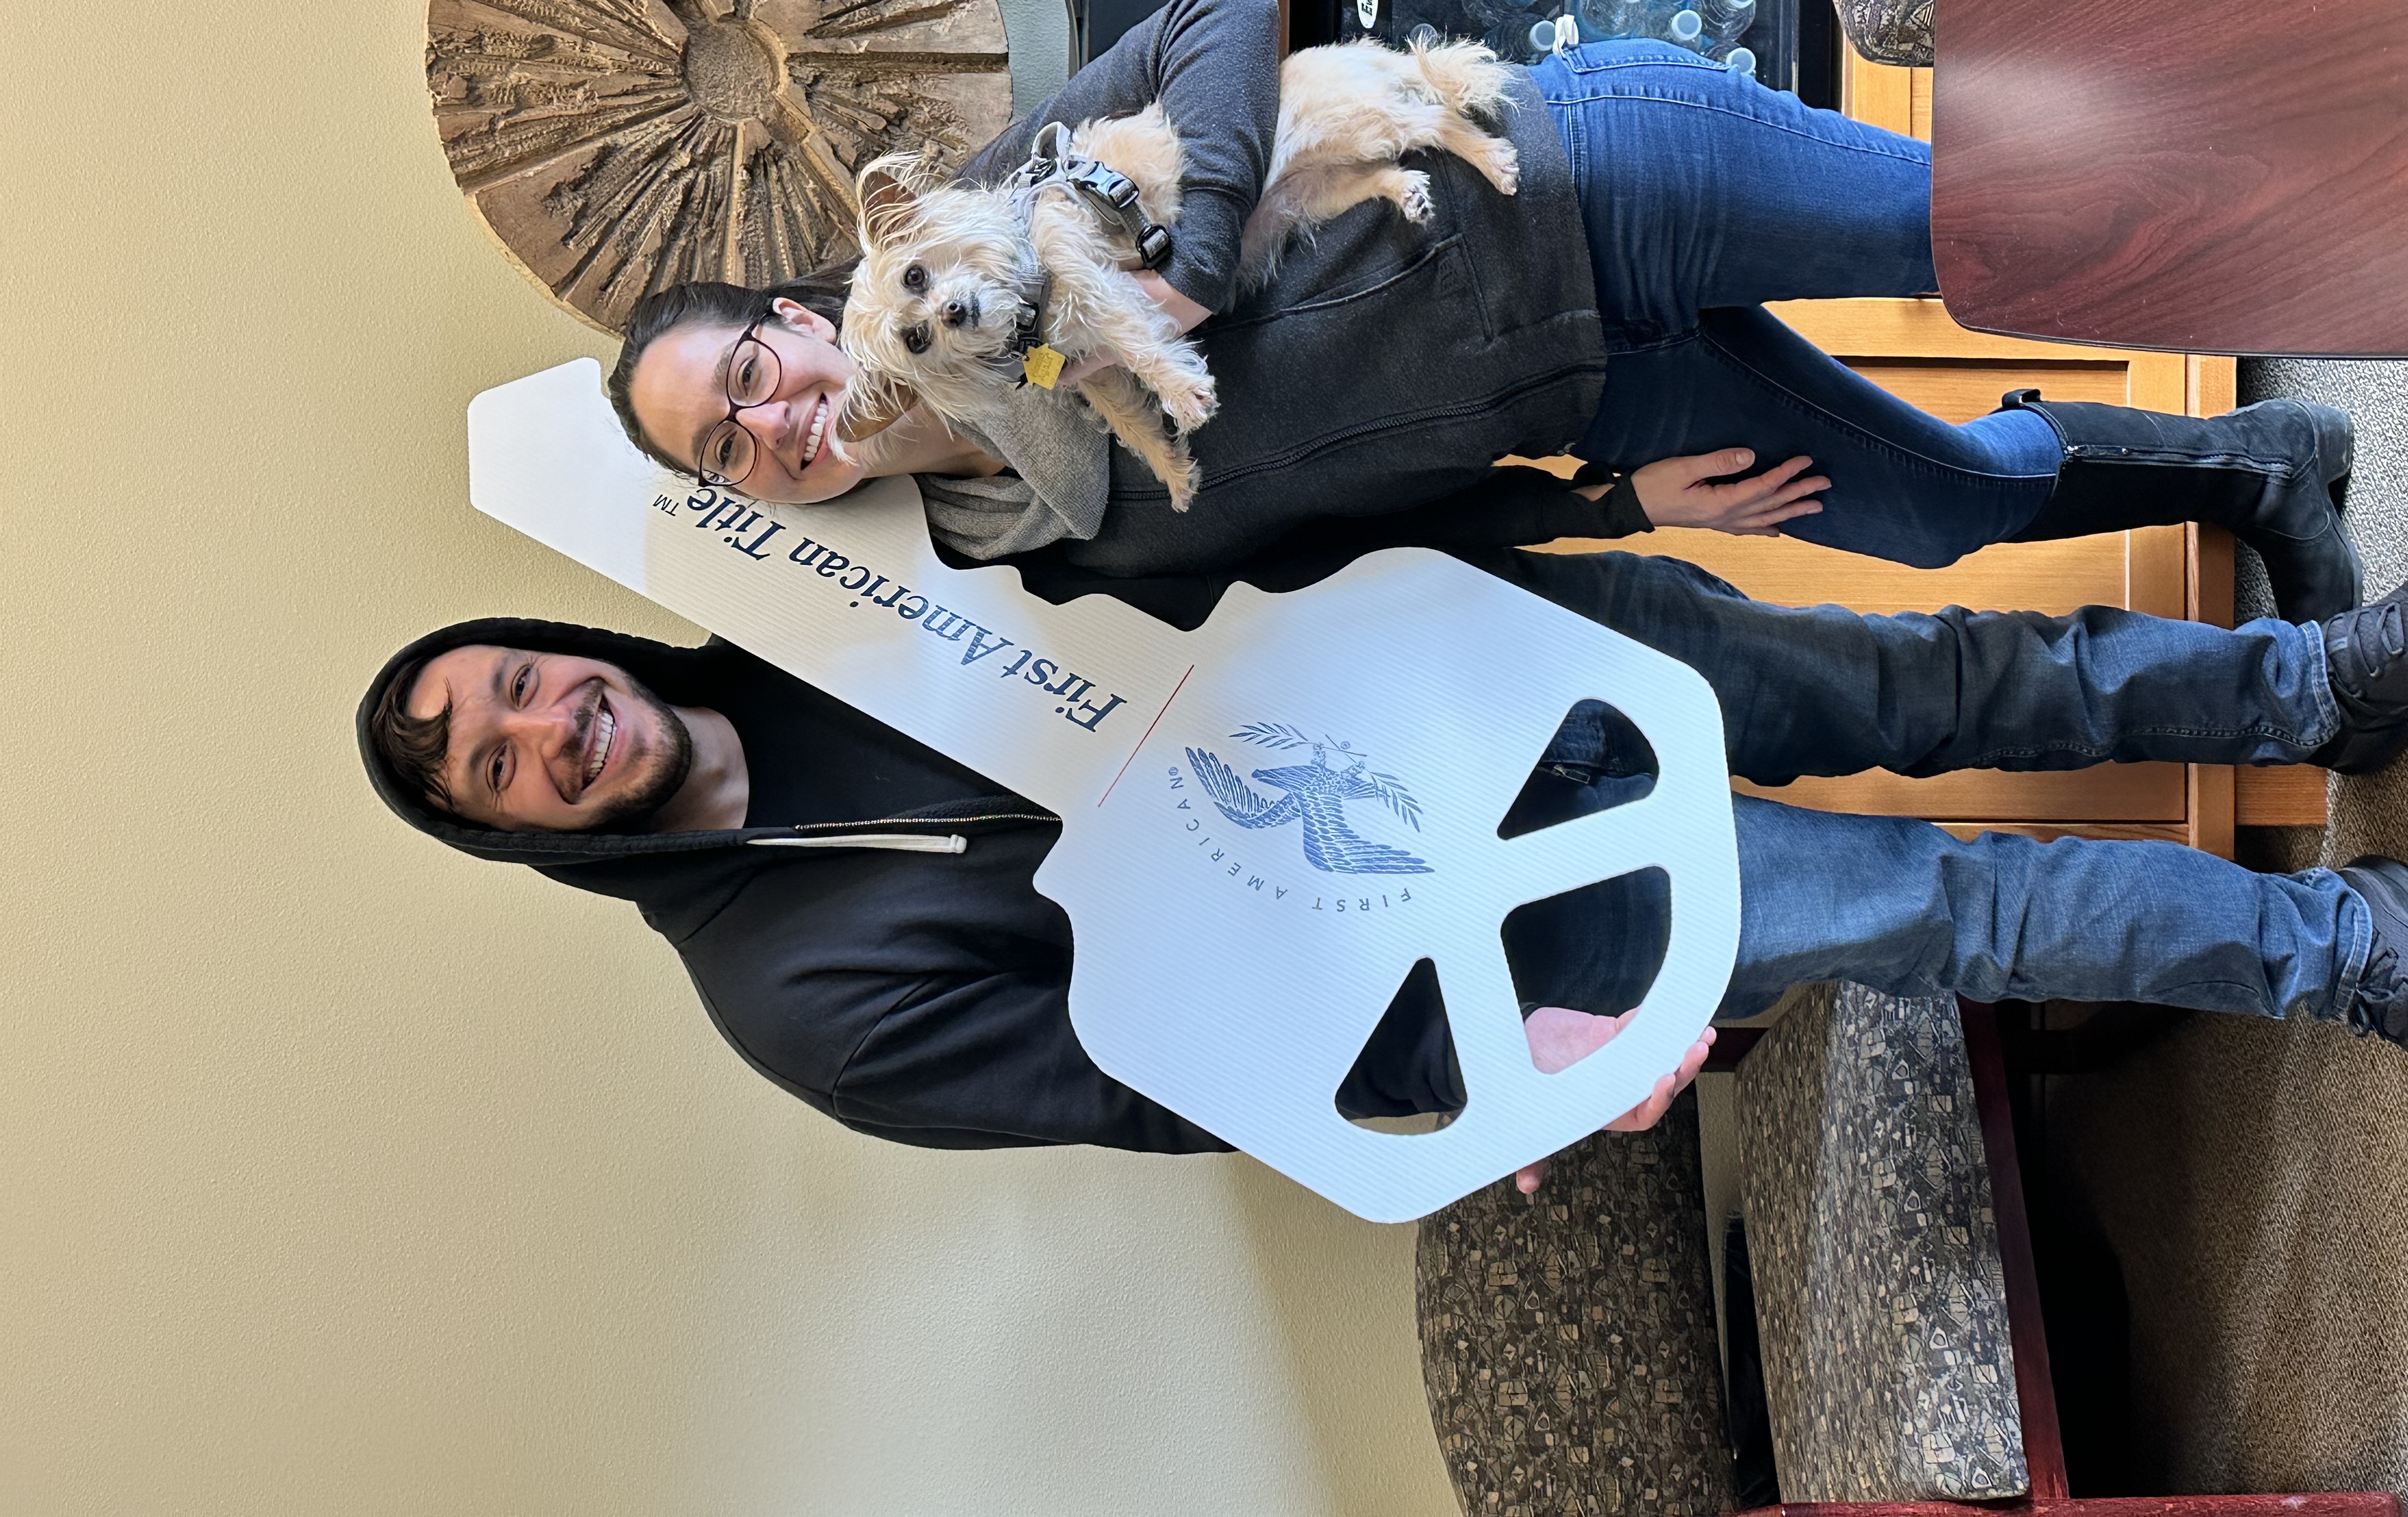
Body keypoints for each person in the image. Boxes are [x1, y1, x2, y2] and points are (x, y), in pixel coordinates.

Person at [359, 521, 2408, 1163]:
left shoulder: (807, 598)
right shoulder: (794, 998)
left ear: (559, 643)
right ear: (519, 839)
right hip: (1496, 937)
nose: (546, 728)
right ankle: (2350, 957)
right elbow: (1170, 1088)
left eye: (517, 682)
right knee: (1963, 908)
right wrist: (1523, 1081)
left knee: (1936, 678)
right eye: (498, 767)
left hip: (1484, 668)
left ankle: (2314, 687)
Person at [604, 0, 2361, 621]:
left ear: (799, 315)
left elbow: (1223, 22)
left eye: (745, 371)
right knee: (1939, 516)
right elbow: (1368, 546)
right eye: (724, 450)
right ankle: (2264, 466)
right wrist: (1619, 506)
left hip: (1584, 175)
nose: (772, 422)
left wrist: (1193, 260)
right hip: (1601, 402)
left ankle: (2336, 135)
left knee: (2006, 234)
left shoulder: (989, 216)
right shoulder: (1040, 558)